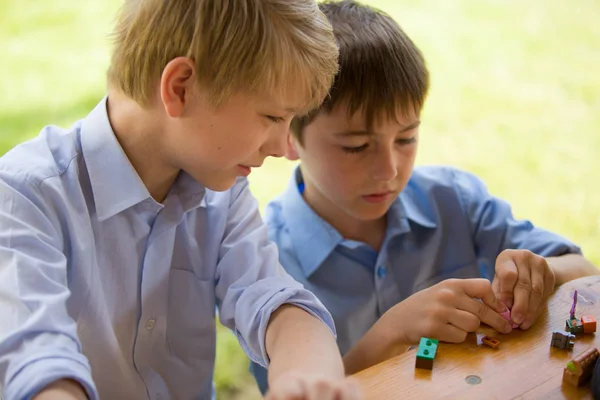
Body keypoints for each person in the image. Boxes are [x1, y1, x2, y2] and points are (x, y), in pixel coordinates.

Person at [0, 1, 364, 399]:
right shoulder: (24, 197)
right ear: (181, 88)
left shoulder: (220, 193)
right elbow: (37, 363)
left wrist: (307, 380)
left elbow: (274, 301)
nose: (284, 147)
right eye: (274, 117)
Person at [250, 0, 599, 393]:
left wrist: (542, 274)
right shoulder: (264, 262)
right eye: (356, 146)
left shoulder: (455, 200)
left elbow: (584, 270)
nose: (390, 170)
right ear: (289, 136)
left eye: (407, 138)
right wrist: (390, 334)